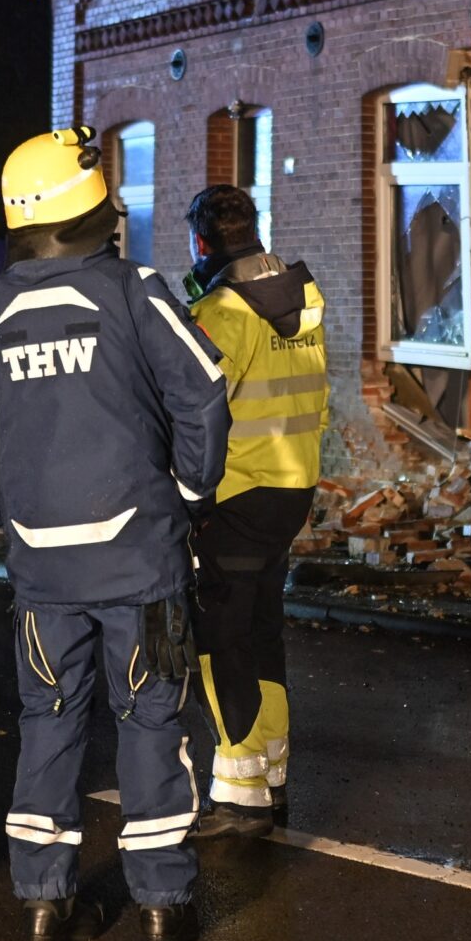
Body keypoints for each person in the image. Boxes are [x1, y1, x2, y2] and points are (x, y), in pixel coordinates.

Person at [0, 127, 228, 941]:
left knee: (47, 723)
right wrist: (188, 494)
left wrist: (12, 505)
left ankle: (42, 905)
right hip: (144, 566)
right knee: (150, 721)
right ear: (93, 208)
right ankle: (164, 908)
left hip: (40, 568)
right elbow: (204, 397)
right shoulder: (136, 291)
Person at [180, 184, 329, 835]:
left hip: (237, 494)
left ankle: (240, 796)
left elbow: (195, 414)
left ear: (202, 241)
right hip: (293, 487)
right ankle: (271, 775)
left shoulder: (221, 312)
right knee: (265, 631)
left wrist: (190, 496)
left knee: (223, 639)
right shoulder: (306, 295)